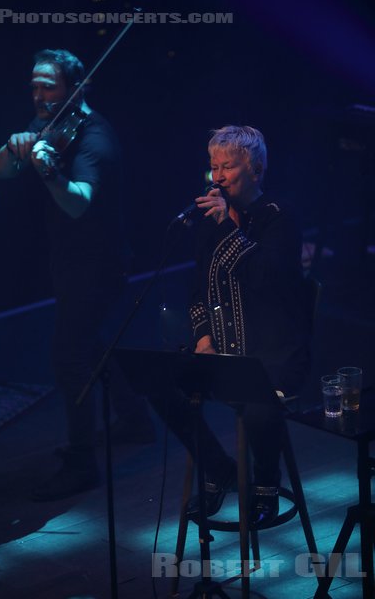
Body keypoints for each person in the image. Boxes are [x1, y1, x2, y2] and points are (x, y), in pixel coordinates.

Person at [0, 49, 154, 501]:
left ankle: (82, 462)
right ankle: (137, 419)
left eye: (49, 86)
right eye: (35, 85)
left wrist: (47, 171)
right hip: (69, 260)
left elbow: (79, 202)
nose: (39, 94)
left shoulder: (95, 139)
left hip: (98, 264)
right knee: (92, 343)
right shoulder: (49, 119)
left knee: (69, 357)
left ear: (77, 89)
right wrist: (14, 146)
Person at [150, 125, 310, 529]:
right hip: (222, 352)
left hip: (272, 355)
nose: (217, 177)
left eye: (228, 167)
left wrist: (226, 227)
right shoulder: (209, 222)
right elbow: (198, 291)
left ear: (255, 170)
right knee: (159, 384)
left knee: (258, 402)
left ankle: (265, 486)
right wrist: (203, 337)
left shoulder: (280, 218)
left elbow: (265, 279)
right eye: (213, 166)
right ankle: (218, 468)